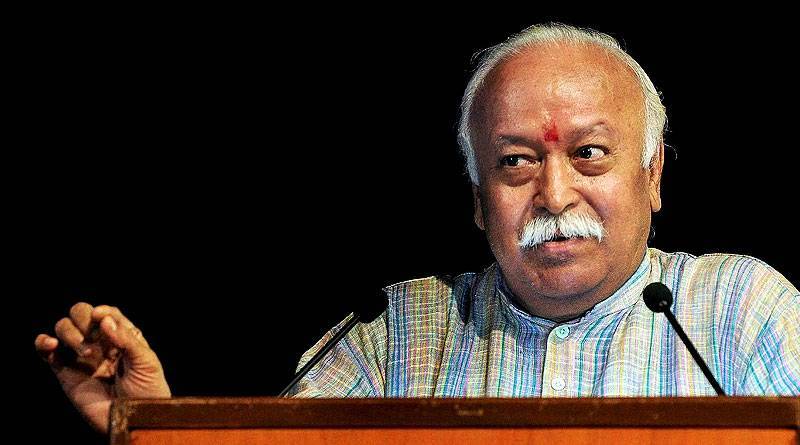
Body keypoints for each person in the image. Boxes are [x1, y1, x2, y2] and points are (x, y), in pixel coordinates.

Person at [35, 23, 800, 434]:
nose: (554, 193)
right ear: (479, 199)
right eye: (515, 162)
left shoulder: (741, 311)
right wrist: (153, 426)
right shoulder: (394, 332)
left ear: (653, 173)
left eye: (589, 154)